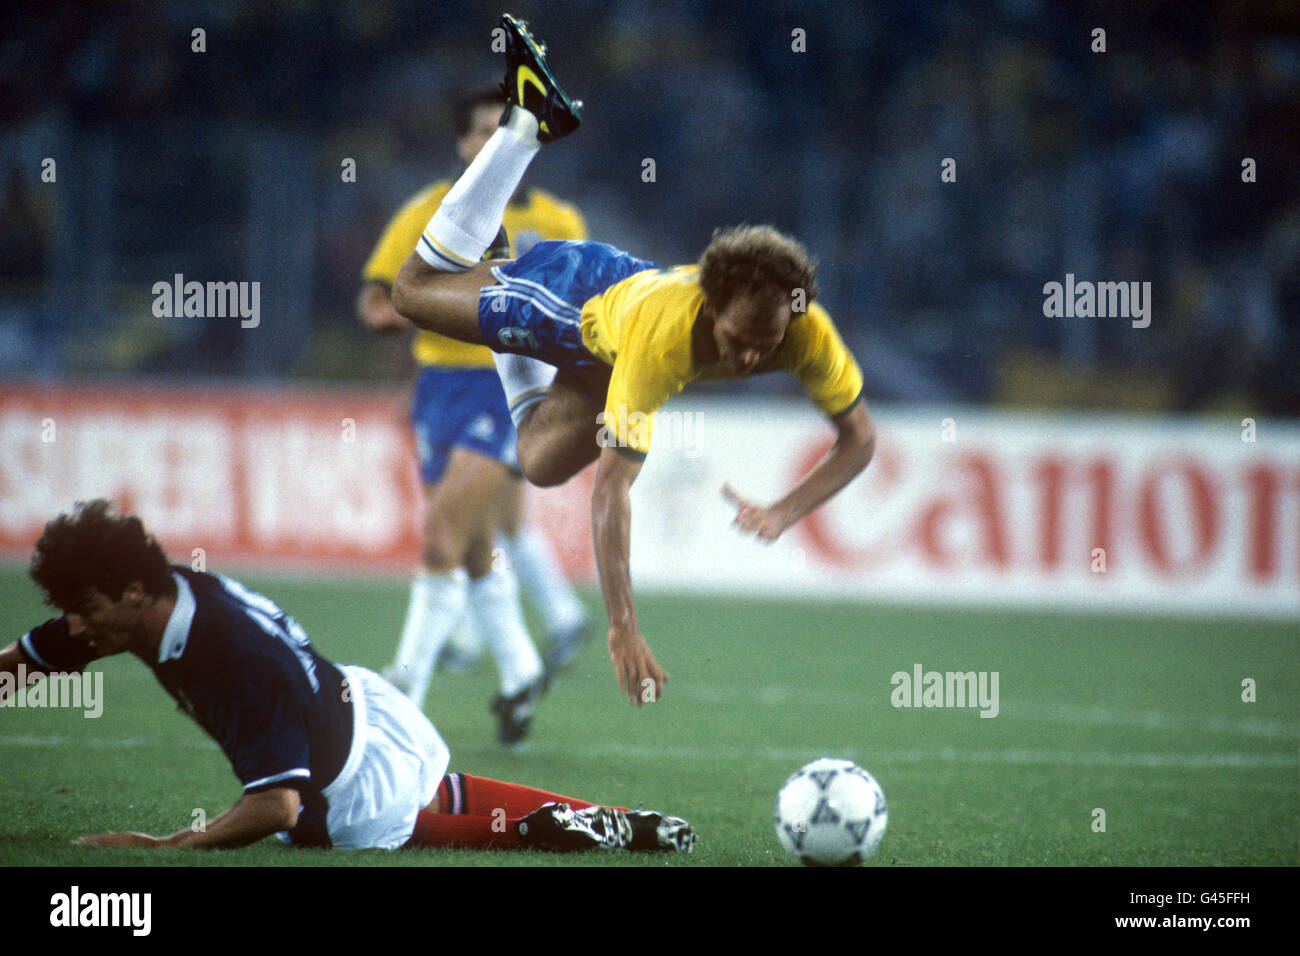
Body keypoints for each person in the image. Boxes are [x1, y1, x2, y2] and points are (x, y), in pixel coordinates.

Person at [389, 15, 877, 707]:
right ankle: (526, 123)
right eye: (741, 337)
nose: (751, 356)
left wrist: (785, 510)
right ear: (712, 305)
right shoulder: (666, 341)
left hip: (607, 345)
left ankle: (494, 251)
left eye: (768, 343)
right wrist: (623, 627)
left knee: (538, 461)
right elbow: (614, 491)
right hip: (570, 299)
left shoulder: (806, 329)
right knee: (414, 292)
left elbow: (860, 439)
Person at [0, 499, 695, 854]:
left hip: (339, 788)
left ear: (127, 594)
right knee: (450, 791)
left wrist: (172, 845)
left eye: (83, 610)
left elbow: (279, 807)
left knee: (434, 825)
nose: (78, 628)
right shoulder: (161, 594)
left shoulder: (224, 656)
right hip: (358, 705)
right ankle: (625, 823)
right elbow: (33, 659)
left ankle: (535, 831)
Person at [358, 88, 592, 745]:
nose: (496, 143)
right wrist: (412, 307)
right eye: (485, 132)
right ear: (463, 144)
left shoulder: (558, 218)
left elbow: (580, 306)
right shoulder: (429, 211)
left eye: (508, 131)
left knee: (440, 538)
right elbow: (378, 300)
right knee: (471, 543)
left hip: (509, 387)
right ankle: (520, 671)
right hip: (438, 388)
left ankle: (405, 691)